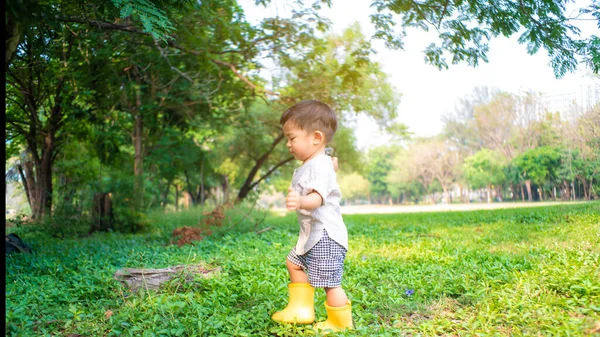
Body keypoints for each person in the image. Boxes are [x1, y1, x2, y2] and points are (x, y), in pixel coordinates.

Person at [271, 100, 352, 333]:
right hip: (312, 236)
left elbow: (317, 198)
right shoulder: (317, 162)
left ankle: (340, 323)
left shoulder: (318, 166)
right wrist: (332, 165)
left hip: (325, 236)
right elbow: (328, 166)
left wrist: (301, 201)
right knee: (293, 263)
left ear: (316, 138)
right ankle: (301, 310)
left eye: (292, 138)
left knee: (330, 284)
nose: (288, 144)